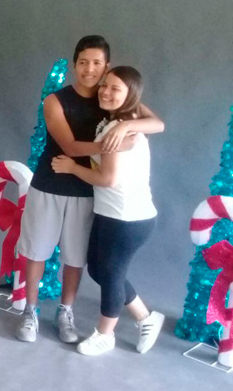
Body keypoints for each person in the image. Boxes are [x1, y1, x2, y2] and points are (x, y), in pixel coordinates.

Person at [15, 35, 164, 343]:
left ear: (106, 66)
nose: (89, 69)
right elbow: (69, 146)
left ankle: (65, 312)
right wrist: (112, 143)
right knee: (37, 251)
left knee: (75, 258)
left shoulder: (110, 94)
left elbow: (157, 124)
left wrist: (125, 125)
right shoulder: (56, 100)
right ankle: (30, 312)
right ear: (74, 65)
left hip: (87, 191)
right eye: (83, 62)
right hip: (51, 183)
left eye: (97, 63)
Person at [52, 66, 164, 356]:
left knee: (111, 273)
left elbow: (108, 179)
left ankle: (105, 334)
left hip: (128, 216)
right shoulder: (119, 121)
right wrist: (125, 126)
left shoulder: (120, 125)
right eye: (105, 85)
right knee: (99, 269)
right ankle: (145, 317)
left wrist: (72, 167)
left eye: (115, 89)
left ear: (130, 96)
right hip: (111, 212)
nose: (105, 91)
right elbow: (156, 124)